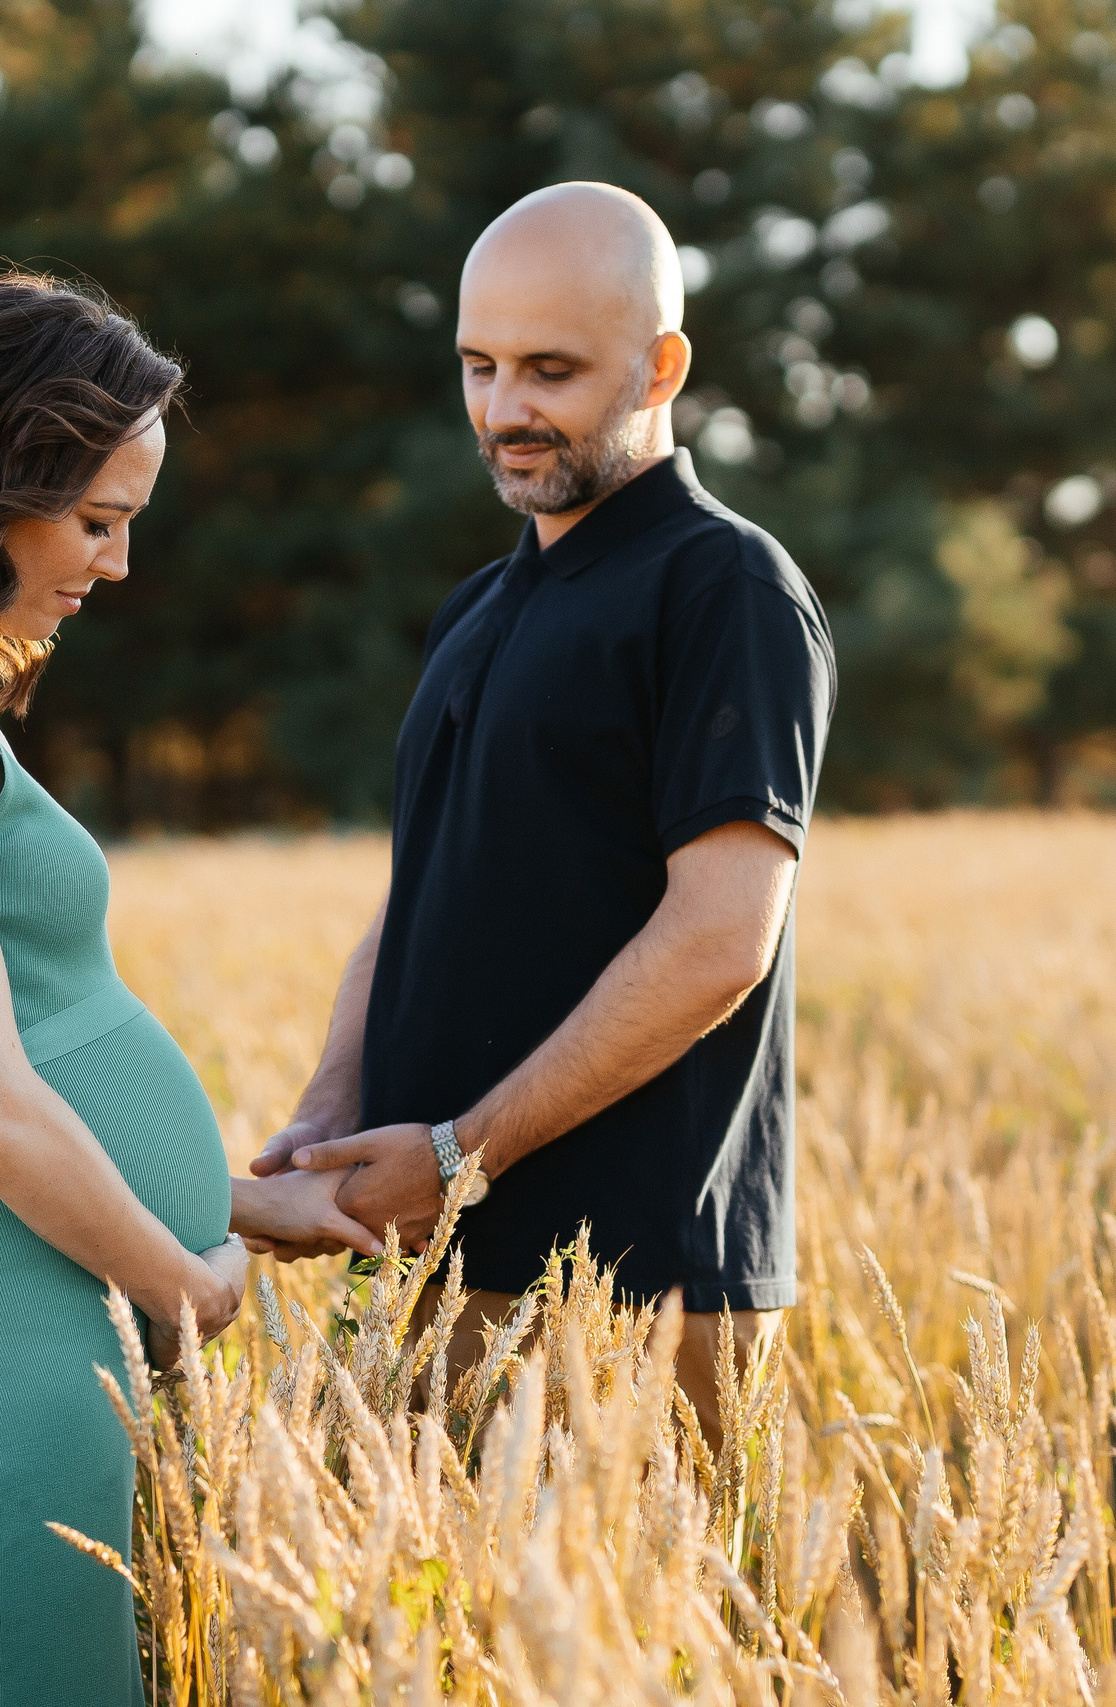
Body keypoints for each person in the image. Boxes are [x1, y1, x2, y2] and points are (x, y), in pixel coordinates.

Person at [0, 271, 380, 1706]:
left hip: (19, 1329)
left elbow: (23, 1037)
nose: (117, 562)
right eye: (97, 519)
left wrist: (225, 1196)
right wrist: (182, 1283)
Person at [249, 183, 839, 1441]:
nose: (504, 410)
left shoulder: (723, 586)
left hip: (629, 1286)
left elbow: (721, 940)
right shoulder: (477, 606)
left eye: (551, 371)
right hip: (433, 1253)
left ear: (662, 364)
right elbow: (423, 896)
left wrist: (464, 1155)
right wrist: (329, 1113)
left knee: (623, 1645)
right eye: (478, 366)